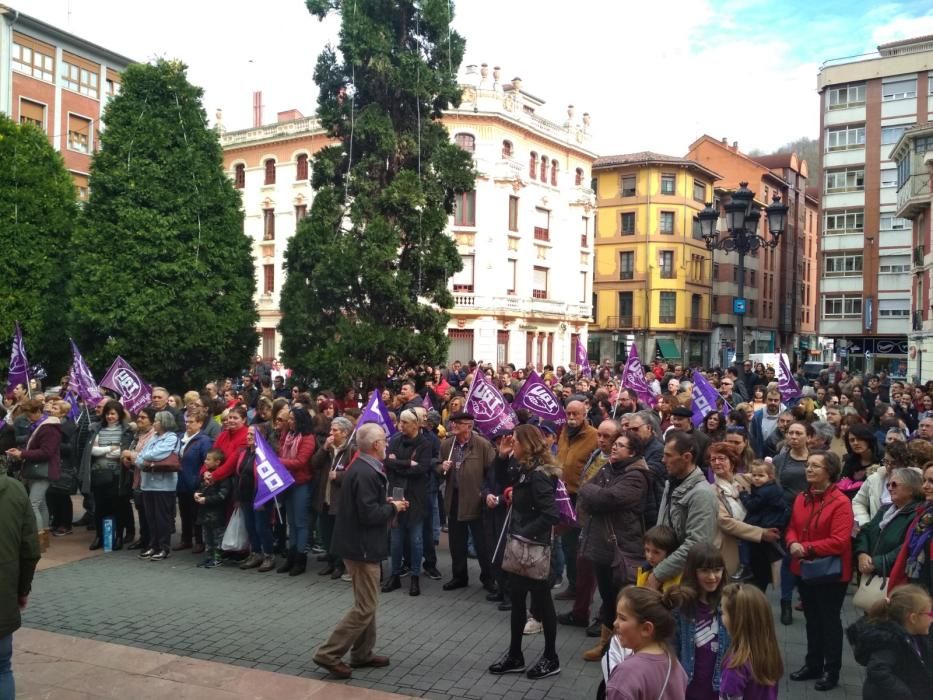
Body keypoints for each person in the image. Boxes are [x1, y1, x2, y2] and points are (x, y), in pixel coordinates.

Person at [313, 423, 408, 680]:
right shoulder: (366, 471)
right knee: (365, 606)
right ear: (376, 445)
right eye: (384, 441)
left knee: (367, 602)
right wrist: (393, 508)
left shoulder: (363, 468)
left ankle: (363, 652)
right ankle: (329, 653)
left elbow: (364, 506)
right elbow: (368, 515)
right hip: (362, 546)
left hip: (357, 544)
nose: (387, 444)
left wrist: (386, 503)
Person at [487, 424, 562, 680]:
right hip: (520, 547)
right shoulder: (523, 469)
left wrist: (525, 533)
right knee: (518, 601)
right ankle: (515, 655)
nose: (512, 445)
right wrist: (502, 454)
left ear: (527, 446)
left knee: (542, 604)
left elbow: (550, 514)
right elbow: (502, 477)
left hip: (535, 549)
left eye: (515, 442)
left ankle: (551, 657)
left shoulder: (539, 475)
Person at [577, 430, 652, 662]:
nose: (614, 448)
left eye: (620, 445)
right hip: (602, 544)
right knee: (607, 598)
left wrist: (593, 494)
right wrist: (592, 493)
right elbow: (585, 488)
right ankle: (605, 646)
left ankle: (624, 648)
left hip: (623, 545)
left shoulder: (637, 476)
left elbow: (607, 499)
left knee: (622, 600)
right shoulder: (609, 467)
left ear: (633, 452)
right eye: (615, 444)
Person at [785, 450, 853, 692]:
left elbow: (840, 541)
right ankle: (812, 664)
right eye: (808, 465)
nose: (809, 470)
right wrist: (792, 542)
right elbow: (792, 526)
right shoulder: (802, 497)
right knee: (812, 620)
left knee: (829, 621)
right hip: (804, 569)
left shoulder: (841, 502)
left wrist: (804, 548)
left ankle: (830, 670)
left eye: (815, 466)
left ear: (830, 472)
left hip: (830, 573)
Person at [649, 432, 719, 589]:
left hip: (684, 581)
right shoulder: (672, 483)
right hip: (667, 572)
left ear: (687, 457)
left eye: (668, 455)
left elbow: (696, 544)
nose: (663, 460)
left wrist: (659, 573)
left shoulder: (702, 494)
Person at [438, 411, 497, 592]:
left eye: (458, 423)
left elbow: (492, 473)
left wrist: (486, 493)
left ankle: (488, 578)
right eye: (452, 422)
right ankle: (459, 576)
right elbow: (438, 468)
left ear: (469, 426)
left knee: (482, 543)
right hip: (454, 498)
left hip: (476, 500)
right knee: (457, 542)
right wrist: (441, 468)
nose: (453, 425)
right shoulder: (447, 444)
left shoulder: (482, 445)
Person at [707, 444, 781, 582]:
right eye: (713, 459)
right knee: (734, 592)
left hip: (759, 547)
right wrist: (761, 533)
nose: (717, 462)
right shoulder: (711, 491)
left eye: (721, 458)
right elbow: (725, 522)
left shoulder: (747, 479)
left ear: (732, 461)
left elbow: (769, 479)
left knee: (758, 589)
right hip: (733, 547)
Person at [846, 583, 933, 699]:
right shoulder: (890, 641)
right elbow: (877, 669)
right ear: (913, 618)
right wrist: (904, 693)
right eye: (930, 613)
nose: (932, 618)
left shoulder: (918, 636)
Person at [0, 464, 41, 700]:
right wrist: (22, 589)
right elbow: (30, 551)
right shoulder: (16, 490)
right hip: (4, 595)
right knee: (2, 668)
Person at [605, 586, 689, 700]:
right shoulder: (674, 664)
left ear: (646, 629)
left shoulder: (626, 674)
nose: (615, 623)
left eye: (622, 618)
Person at [383, 409, 432, 596]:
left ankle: (414, 577)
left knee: (416, 540)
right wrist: (407, 463)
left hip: (416, 497)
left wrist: (398, 463)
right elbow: (388, 463)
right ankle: (394, 575)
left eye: (404, 422)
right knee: (396, 540)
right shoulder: (395, 440)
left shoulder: (424, 444)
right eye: (400, 422)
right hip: (396, 494)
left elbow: (421, 469)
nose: (400, 425)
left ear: (415, 424)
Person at [672, 543, 730, 700]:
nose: (712, 577)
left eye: (717, 569)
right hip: (687, 688)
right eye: (705, 570)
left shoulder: (729, 604)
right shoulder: (681, 607)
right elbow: (673, 648)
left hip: (719, 688)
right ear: (692, 571)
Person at [555, 400, 599, 600]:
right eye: (569, 413)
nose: (571, 418)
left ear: (584, 414)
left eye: (576, 414)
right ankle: (573, 585)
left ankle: (583, 591)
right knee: (568, 544)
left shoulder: (594, 436)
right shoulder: (563, 432)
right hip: (563, 496)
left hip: (581, 498)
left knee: (583, 548)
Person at [5, 398, 62, 551]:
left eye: (30, 414)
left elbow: (46, 452)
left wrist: (22, 454)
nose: (28, 417)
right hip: (39, 469)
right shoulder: (41, 425)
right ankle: (43, 540)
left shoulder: (48, 428)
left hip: (43, 470)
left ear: (38, 412)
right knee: (40, 503)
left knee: (33, 504)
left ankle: (38, 541)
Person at [854, 467, 923, 583]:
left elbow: (909, 545)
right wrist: (862, 554)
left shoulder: (918, 513)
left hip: (895, 578)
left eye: (894, 485)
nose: (890, 489)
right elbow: (866, 531)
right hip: (871, 575)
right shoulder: (885, 509)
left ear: (911, 488)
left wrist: (877, 563)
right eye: (888, 485)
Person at [80, 399, 131, 551]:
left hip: (117, 477)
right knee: (99, 508)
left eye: (113, 414)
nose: (110, 417)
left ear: (120, 415)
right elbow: (92, 451)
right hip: (98, 475)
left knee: (118, 508)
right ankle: (99, 537)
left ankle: (119, 537)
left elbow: (122, 452)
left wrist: (104, 449)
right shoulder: (97, 429)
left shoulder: (126, 431)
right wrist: (110, 448)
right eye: (108, 414)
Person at [772, 420, 810, 625]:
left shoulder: (816, 459)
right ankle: (786, 601)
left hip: (811, 514)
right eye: (791, 433)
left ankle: (806, 597)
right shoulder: (779, 460)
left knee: (807, 555)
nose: (794, 437)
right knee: (788, 558)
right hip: (787, 514)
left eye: (798, 433)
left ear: (808, 437)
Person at [718, 583, 783, 700]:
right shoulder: (769, 653)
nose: (720, 617)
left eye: (723, 613)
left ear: (735, 620)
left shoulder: (735, 668)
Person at [275, 406, 316, 575]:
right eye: (289, 419)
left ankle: (300, 559)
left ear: (300, 421)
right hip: (288, 483)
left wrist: (278, 462)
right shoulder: (288, 435)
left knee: (301, 523)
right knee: (291, 522)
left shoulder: (308, 438)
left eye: (292, 419)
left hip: (301, 484)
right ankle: (291, 557)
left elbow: (300, 462)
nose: (289, 422)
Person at [135, 411, 181, 560]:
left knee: (162, 518)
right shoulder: (153, 437)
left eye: (156, 421)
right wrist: (145, 459)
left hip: (164, 485)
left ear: (164, 422)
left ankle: (163, 547)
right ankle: (153, 545)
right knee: (151, 517)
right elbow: (141, 456)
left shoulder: (172, 438)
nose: (154, 423)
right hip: (147, 483)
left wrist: (146, 458)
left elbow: (157, 454)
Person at [734, 460, 788, 587]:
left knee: (744, 540)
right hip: (770, 520)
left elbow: (752, 506)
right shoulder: (772, 487)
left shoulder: (764, 491)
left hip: (763, 523)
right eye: (754, 475)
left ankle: (744, 565)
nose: (756, 479)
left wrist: (743, 495)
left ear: (770, 477)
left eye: (761, 476)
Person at [887, 462, 933, 594]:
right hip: (916, 591)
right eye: (924, 481)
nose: (925, 486)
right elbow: (906, 553)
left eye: (931, 481)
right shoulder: (924, 515)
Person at [176, 412, 212, 552]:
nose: (188, 424)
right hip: (181, 481)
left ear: (200, 423)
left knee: (196, 513)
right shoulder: (180, 438)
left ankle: (199, 541)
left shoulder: (204, 440)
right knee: (184, 512)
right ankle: (186, 539)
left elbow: (206, 461)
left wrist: (200, 479)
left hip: (194, 481)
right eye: (186, 421)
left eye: (191, 422)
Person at [194, 448, 233, 568]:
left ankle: (217, 558)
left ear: (218, 462)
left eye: (208, 459)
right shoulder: (205, 475)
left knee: (217, 537)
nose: (205, 461)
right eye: (205, 459)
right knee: (207, 537)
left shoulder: (222, 477)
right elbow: (200, 487)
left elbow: (222, 495)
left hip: (217, 514)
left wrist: (206, 500)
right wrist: (196, 494)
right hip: (204, 513)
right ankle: (208, 557)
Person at [636, 525, 681, 590]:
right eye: (647, 550)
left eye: (656, 552)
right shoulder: (644, 570)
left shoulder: (677, 577)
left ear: (669, 553)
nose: (650, 556)